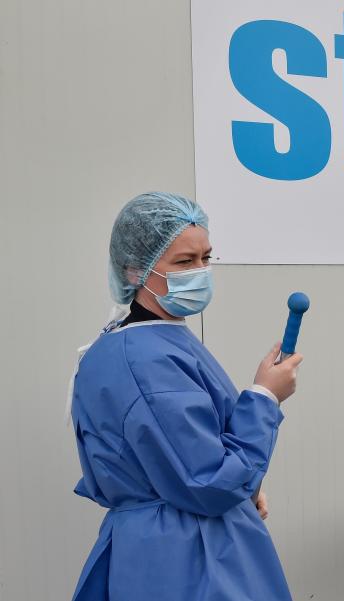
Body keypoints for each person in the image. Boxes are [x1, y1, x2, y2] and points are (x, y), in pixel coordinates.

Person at [69, 192, 302, 600]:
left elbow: (184, 455)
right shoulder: (145, 359)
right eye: (183, 262)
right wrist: (265, 396)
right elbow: (205, 481)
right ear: (133, 269)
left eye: (206, 258)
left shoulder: (143, 340)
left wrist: (243, 486)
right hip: (185, 560)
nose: (200, 271)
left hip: (175, 542)